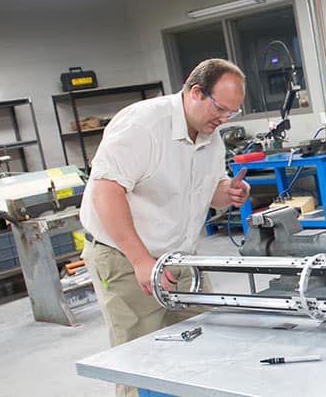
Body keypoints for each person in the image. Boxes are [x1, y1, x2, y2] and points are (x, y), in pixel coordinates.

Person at [79, 58, 251, 397]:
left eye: (232, 113)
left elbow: (202, 190)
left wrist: (226, 192)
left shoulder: (210, 137)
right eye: (220, 109)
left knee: (203, 347)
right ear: (195, 91)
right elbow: (106, 191)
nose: (224, 120)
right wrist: (141, 260)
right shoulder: (143, 124)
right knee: (140, 359)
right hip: (126, 259)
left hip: (180, 260)